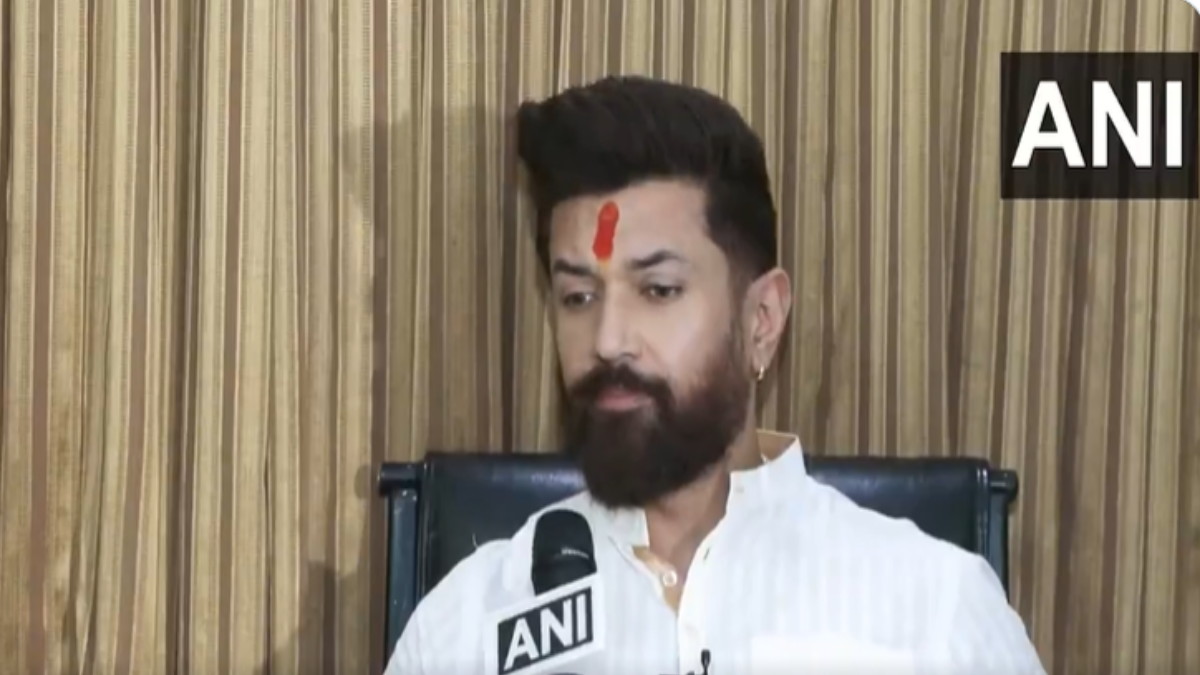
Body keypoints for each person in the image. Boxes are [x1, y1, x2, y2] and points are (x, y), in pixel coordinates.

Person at [385, 75, 1045, 675]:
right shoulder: (467, 624)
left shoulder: (934, 612)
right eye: (578, 297)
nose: (608, 341)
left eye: (659, 290)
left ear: (762, 319)